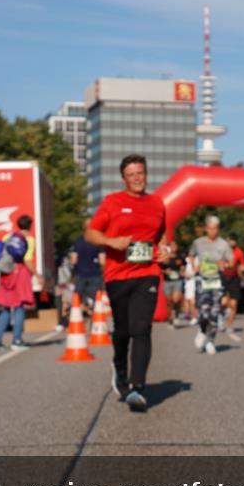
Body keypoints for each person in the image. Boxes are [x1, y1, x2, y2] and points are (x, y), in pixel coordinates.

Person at [85, 155, 167, 412]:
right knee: (123, 331)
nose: (137, 178)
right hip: (118, 275)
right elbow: (90, 233)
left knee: (141, 329)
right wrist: (111, 242)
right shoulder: (113, 202)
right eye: (131, 175)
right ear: (124, 178)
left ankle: (137, 387)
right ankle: (119, 365)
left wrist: (165, 249)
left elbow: (163, 234)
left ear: (146, 174)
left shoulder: (157, 203)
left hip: (148, 272)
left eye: (140, 173)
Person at [0, 214, 35, 351]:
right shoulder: (29, 239)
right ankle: (17, 340)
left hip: (6, 274)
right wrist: (37, 274)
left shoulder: (8, 237)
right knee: (19, 306)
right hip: (19, 274)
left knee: (5, 307)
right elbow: (27, 260)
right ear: (30, 225)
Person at [189, 215, 232, 355]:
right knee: (204, 312)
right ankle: (202, 331)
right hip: (203, 280)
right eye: (210, 229)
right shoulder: (198, 243)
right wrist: (193, 266)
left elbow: (231, 262)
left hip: (217, 282)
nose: (213, 232)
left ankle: (210, 341)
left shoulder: (223, 244)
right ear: (206, 228)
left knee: (214, 315)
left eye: (216, 229)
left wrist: (224, 264)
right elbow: (191, 255)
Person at [71, 217, 105, 316]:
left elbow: (73, 260)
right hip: (95, 274)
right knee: (97, 300)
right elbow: (102, 260)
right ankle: (96, 320)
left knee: (78, 299)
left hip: (80, 274)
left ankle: (77, 318)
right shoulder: (98, 242)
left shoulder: (78, 242)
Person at [221, 232, 244, 330]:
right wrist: (224, 265)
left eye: (233, 240)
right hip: (223, 277)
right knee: (223, 302)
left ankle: (229, 324)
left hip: (234, 278)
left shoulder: (239, 252)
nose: (231, 242)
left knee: (234, 304)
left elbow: (243, 265)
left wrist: (243, 268)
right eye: (229, 240)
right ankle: (222, 316)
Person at [160, 241, 185, 326]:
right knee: (169, 301)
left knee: (176, 299)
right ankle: (170, 319)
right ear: (169, 247)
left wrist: (182, 270)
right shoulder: (165, 257)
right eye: (172, 246)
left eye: (175, 245)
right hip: (167, 281)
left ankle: (177, 314)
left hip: (177, 280)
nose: (174, 247)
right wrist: (164, 271)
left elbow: (184, 265)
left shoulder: (180, 256)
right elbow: (159, 267)